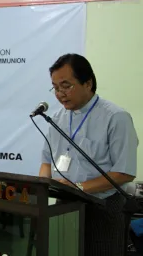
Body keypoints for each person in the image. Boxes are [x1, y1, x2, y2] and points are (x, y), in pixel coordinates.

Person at [39, 53, 138, 256]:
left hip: (102, 207)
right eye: (55, 88)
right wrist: (41, 188)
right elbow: (46, 162)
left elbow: (124, 172)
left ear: (88, 83)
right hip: (63, 205)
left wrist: (80, 188)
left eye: (66, 86)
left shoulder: (116, 117)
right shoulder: (56, 119)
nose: (60, 93)